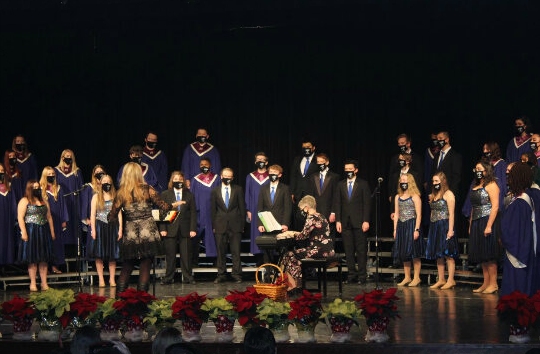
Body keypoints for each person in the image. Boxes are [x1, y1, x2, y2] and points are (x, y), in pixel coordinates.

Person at [108, 162, 180, 293]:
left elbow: (111, 217)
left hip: (130, 233)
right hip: (148, 231)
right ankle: (142, 300)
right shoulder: (147, 189)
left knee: (127, 265)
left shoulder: (121, 193)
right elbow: (163, 206)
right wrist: (174, 205)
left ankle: (119, 300)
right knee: (146, 264)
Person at [281, 195, 334, 291]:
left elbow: (303, 236)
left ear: (307, 207)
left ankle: (293, 285)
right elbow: (311, 233)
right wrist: (295, 233)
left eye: (302, 209)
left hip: (319, 250)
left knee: (289, 255)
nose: (302, 211)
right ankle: (296, 283)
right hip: (328, 249)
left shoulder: (311, 218)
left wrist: (290, 234)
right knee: (295, 256)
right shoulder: (321, 216)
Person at [501, 162, 538, 296]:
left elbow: (512, 229)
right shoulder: (528, 198)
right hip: (524, 249)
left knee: (517, 288)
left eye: (510, 176)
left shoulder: (521, 202)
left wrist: (503, 237)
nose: (508, 179)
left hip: (518, 253)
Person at [335, 159, 371, 285]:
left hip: (360, 221)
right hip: (345, 222)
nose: (348, 172)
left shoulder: (363, 184)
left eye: (350, 169)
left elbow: (367, 204)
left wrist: (366, 220)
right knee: (348, 250)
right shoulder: (340, 184)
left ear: (356, 170)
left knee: (361, 250)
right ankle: (351, 275)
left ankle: (362, 276)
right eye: (346, 170)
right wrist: (338, 221)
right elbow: (337, 203)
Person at [467, 160, 500, 294]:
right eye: (476, 169)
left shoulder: (492, 185)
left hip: (487, 220)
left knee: (489, 254)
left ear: (486, 171)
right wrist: (470, 224)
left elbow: (495, 206)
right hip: (476, 221)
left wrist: (489, 225)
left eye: (479, 168)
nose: (477, 171)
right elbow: (473, 208)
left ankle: (494, 283)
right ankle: (486, 283)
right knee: (482, 255)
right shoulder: (476, 185)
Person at [159, 171, 197, 285]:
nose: (178, 181)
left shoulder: (189, 194)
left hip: (185, 229)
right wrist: (163, 228)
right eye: (175, 179)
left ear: (183, 181)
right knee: (170, 255)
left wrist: (193, 229)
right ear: (172, 181)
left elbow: (193, 213)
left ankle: (187, 277)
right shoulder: (166, 194)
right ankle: (168, 277)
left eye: (180, 179)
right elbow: (162, 212)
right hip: (170, 229)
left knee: (186, 255)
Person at [17, 180, 56, 291]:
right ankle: (33, 283)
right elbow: (20, 217)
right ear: (29, 189)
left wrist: (52, 231)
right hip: (31, 231)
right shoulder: (24, 201)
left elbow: (49, 217)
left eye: (38, 187)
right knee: (32, 259)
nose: (37, 189)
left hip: (43, 231)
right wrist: (24, 232)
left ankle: (44, 283)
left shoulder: (44, 201)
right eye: (34, 187)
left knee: (43, 258)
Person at [211, 168, 246, 284]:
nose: (227, 178)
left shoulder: (238, 189)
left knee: (236, 251)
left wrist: (242, 225)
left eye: (229, 176)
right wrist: (214, 225)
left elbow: (242, 208)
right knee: (221, 252)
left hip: (235, 225)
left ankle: (237, 274)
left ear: (232, 178)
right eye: (225, 176)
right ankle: (221, 274)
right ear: (221, 176)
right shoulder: (215, 191)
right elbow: (213, 210)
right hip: (220, 225)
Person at [425, 172, 459, 290]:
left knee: (448, 253)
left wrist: (450, 230)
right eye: (433, 181)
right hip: (435, 226)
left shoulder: (448, 194)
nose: (434, 183)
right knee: (438, 254)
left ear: (443, 181)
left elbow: (451, 213)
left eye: (436, 181)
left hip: (445, 225)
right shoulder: (435, 194)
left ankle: (451, 280)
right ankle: (441, 279)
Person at [89, 175, 122, 288]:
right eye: (104, 181)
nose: (107, 183)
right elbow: (93, 215)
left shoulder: (115, 196)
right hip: (100, 227)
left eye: (109, 181)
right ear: (100, 183)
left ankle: (112, 279)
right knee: (99, 255)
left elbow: (119, 214)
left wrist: (121, 229)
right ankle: (101, 279)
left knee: (112, 255)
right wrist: (93, 229)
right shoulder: (96, 197)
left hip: (113, 227)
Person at [392, 173, 424, 287]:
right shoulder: (397, 197)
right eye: (401, 180)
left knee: (414, 253)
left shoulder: (415, 196)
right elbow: (396, 213)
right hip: (401, 225)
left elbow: (419, 215)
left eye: (405, 180)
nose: (403, 182)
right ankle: (407, 277)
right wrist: (395, 229)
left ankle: (416, 277)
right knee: (404, 253)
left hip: (411, 225)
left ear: (410, 182)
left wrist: (416, 229)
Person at [462, 142, 507, 218]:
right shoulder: (482, 164)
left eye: (488, 149)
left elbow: (502, 185)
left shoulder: (501, 164)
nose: (485, 151)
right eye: (484, 149)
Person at [190, 157, 221, 265]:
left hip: (212, 212)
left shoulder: (216, 179)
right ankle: (194, 261)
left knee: (213, 236)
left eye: (206, 164)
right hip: (199, 212)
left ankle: (215, 261)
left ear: (210, 165)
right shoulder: (195, 179)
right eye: (202, 164)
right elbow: (191, 196)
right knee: (195, 236)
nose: (204, 166)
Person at [39, 167, 68, 274]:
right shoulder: (41, 189)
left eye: (53, 174)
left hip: (57, 219)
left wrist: (64, 219)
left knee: (57, 242)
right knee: (46, 243)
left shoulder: (58, 188)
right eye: (49, 174)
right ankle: (46, 267)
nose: (51, 176)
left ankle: (55, 266)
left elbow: (63, 205)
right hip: (45, 220)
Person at [54, 149, 84, 246]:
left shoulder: (76, 172)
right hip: (61, 203)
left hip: (74, 203)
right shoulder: (56, 171)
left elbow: (81, 189)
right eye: (66, 156)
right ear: (62, 157)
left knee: (74, 227)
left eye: (70, 156)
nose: (68, 158)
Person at [307, 153, 339, 239]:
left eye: (322, 161)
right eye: (318, 162)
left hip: (328, 212)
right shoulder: (313, 176)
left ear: (327, 162)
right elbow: (310, 195)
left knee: (329, 237)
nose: (320, 164)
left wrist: (333, 212)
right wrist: (311, 210)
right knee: (316, 236)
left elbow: (336, 196)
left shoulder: (334, 177)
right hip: (316, 212)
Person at [245, 152, 270, 262]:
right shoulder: (250, 177)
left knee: (268, 233)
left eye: (262, 159)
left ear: (266, 162)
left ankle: (268, 259)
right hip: (254, 208)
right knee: (256, 233)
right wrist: (248, 210)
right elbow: (247, 194)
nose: (260, 161)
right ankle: (258, 259)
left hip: (269, 208)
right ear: (255, 162)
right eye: (258, 159)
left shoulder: (271, 175)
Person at [289, 138, 319, 230]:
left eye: (308, 147)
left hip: (312, 194)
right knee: (299, 220)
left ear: (313, 148)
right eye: (304, 147)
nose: (306, 149)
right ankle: (300, 243)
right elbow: (293, 176)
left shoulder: (318, 159)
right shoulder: (297, 159)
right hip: (299, 194)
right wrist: (292, 192)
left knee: (311, 221)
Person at [257, 164, 292, 234]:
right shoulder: (263, 189)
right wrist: (260, 224)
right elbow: (260, 207)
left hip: (280, 224)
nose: (272, 174)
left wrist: (285, 223)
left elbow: (287, 208)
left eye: (275, 172)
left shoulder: (285, 188)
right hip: (266, 224)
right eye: (271, 172)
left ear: (279, 175)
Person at [389, 153, 421, 218]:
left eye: (402, 159)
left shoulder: (414, 175)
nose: (399, 161)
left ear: (407, 161)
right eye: (399, 159)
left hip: (410, 210)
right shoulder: (395, 175)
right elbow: (393, 193)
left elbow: (418, 192)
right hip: (398, 209)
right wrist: (392, 211)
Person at [0, 162, 17, 267]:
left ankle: (5, 266)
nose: (0, 173)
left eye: (2, 171)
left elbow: (13, 204)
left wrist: (15, 218)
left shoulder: (9, 187)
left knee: (7, 241)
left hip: (7, 219)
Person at [81, 165, 107, 233]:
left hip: (105, 219)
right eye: (97, 172)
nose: (99, 173)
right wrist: (85, 219)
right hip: (93, 219)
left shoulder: (107, 187)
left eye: (101, 171)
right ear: (94, 174)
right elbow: (84, 204)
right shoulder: (89, 187)